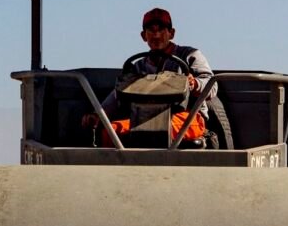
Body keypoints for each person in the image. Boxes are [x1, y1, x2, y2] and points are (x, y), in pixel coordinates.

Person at [83, 8, 215, 143]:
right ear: (143, 36)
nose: (156, 35)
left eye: (161, 29)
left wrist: (195, 84)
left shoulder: (190, 55)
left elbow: (212, 85)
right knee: (111, 132)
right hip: (143, 119)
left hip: (186, 117)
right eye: (151, 30)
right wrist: (98, 115)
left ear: (171, 33)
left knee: (159, 132)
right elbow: (117, 95)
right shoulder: (138, 67)